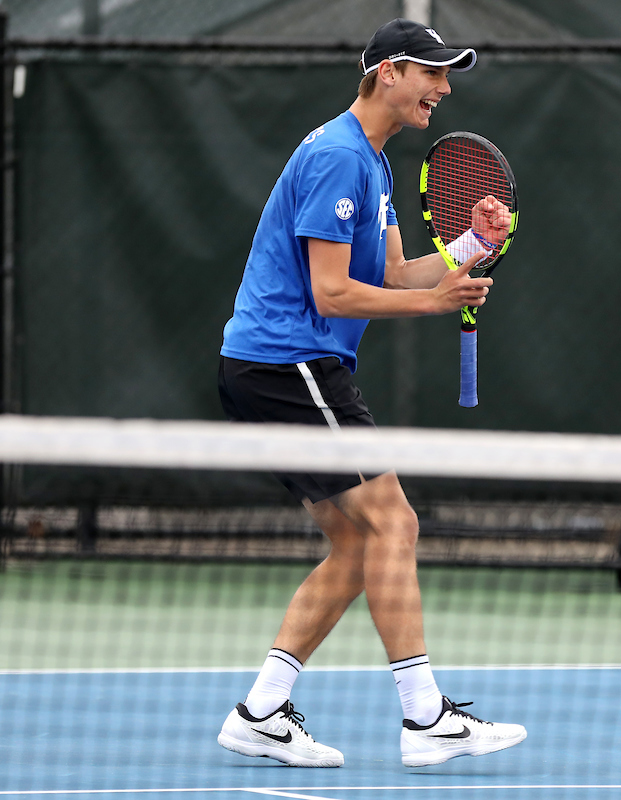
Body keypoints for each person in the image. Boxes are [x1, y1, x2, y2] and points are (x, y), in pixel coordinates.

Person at [215, 19, 526, 769]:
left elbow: (390, 275)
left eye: (446, 76)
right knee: (396, 523)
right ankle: (425, 719)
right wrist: (434, 304)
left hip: (275, 368)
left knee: (360, 542)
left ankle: (260, 712)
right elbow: (330, 292)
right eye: (432, 73)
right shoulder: (336, 157)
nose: (443, 89)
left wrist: (474, 246)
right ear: (388, 72)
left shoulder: (373, 163)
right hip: (287, 365)